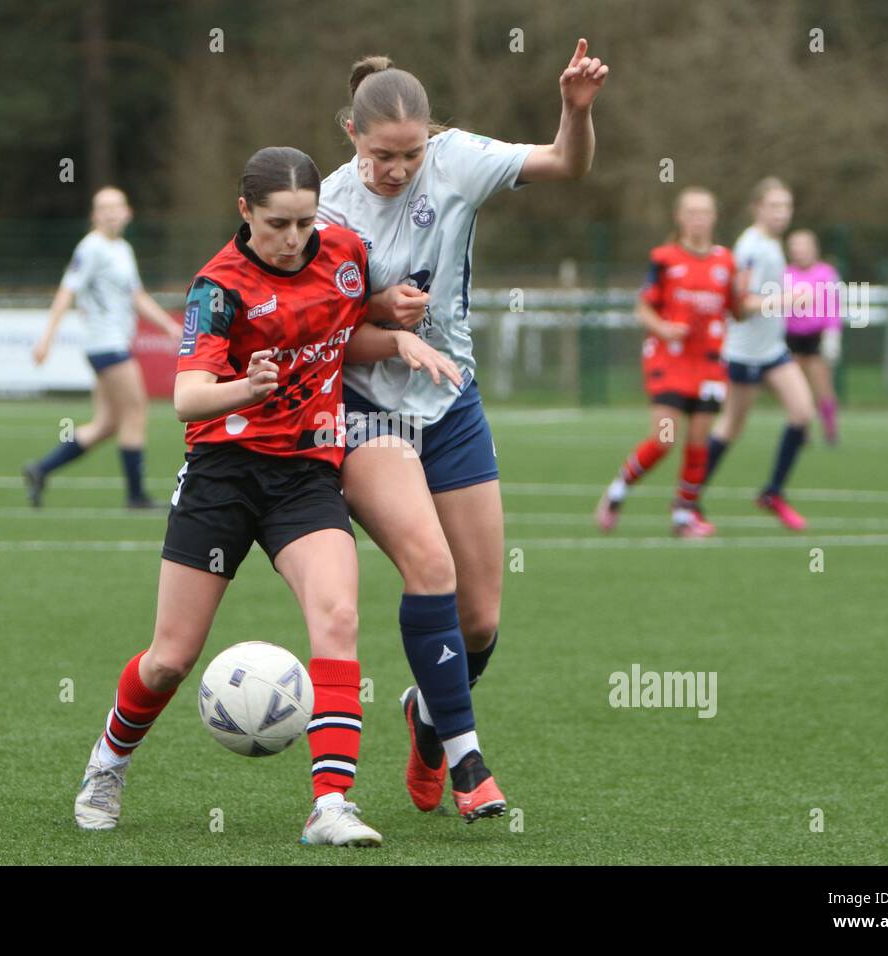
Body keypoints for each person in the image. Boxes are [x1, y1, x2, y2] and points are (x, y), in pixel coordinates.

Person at [71, 147, 458, 847]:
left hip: (305, 474)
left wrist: (396, 339)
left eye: (305, 221)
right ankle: (109, 760)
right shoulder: (217, 287)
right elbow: (188, 399)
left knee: (338, 614)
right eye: (278, 223)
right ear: (245, 211)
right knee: (169, 659)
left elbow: (345, 331)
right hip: (223, 474)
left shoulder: (342, 252)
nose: (293, 238)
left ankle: (331, 804)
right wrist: (243, 390)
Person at [315, 40, 609, 820]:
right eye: (383, 155)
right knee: (429, 564)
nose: (398, 169)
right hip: (366, 412)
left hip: (450, 408)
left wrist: (574, 114)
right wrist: (375, 312)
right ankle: (468, 759)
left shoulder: (457, 160)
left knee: (480, 620)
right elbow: (309, 333)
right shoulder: (328, 207)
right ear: (351, 133)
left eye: (411, 154)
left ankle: (425, 715)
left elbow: (564, 165)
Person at [24, 186, 182, 509]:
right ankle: (136, 496)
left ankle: (41, 469)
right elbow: (67, 291)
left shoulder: (122, 248)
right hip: (106, 345)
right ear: (94, 216)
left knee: (107, 423)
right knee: (135, 412)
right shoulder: (91, 248)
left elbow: (135, 295)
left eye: (117, 206)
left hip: (112, 344)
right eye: (103, 208)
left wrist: (167, 325)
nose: (111, 212)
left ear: (128, 212)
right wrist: (46, 338)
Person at [595, 187, 736, 537]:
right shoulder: (665, 258)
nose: (698, 219)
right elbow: (643, 307)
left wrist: (782, 301)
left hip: (709, 363)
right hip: (669, 361)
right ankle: (617, 490)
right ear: (680, 217)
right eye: (692, 212)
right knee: (664, 437)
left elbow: (740, 307)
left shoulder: (726, 262)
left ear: (714, 217)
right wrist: (665, 329)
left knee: (699, 440)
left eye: (704, 212)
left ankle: (684, 516)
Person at [701, 177, 815, 530]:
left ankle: (773, 492)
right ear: (757, 208)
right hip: (744, 353)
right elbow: (741, 303)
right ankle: (688, 497)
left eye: (787, 206)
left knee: (801, 413)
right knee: (732, 426)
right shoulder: (750, 247)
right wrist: (787, 301)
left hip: (772, 351)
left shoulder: (772, 244)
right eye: (775, 206)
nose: (782, 213)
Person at [785, 229, 842, 445]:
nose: (799, 251)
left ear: (814, 249)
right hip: (792, 337)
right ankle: (803, 431)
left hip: (817, 336)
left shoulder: (826, 273)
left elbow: (833, 305)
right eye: (795, 247)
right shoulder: (785, 274)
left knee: (822, 385)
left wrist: (832, 333)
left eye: (803, 246)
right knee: (798, 387)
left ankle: (830, 429)